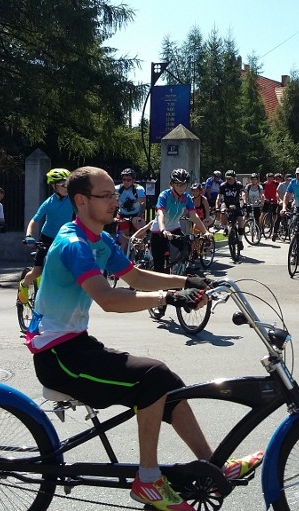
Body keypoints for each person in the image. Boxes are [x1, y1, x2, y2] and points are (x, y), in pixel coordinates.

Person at [27, 166, 261, 511]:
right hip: (57, 357)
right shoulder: (73, 243)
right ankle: (148, 481)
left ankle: (214, 467)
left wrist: (187, 283)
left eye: (114, 194)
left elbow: (135, 277)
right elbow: (108, 299)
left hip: (76, 344)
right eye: (105, 195)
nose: (116, 200)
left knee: (168, 381)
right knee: (151, 377)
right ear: (81, 200)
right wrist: (166, 299)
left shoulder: (100, 239)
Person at [21, 168, 72, 296]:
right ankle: (24, 285)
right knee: (37, 271)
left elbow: (82, 215)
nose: (66, 187)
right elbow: (34, 220)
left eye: (68, 184)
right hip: (47, 238)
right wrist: (28, 235)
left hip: (65, 236)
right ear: (53, 186)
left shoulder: (73, 200)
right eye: (63, 185)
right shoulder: (48, 203)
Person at [151, 169, 210, 274]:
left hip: (174, 228)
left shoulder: (186, 197)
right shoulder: (164, 195)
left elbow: (194, 216)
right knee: (158, 267)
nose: (181, 188)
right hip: (159, 231)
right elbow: (161, 214)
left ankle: (178, 272)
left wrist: (205, 231)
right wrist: (163, 230)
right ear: (172, 184)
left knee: (185, 248)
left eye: (184, 185)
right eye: (178, 185)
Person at [115, 167, 146, 250]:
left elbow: (143, 204)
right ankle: (122, 260)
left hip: (136, 214)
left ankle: (143, 254)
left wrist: (138, 216)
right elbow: (113, 202)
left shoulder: (138, 189)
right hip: (123, 215)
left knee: (140, 238)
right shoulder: (118, 189)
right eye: (124, 179)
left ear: (133, 180)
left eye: (128, 180)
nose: (126, 182)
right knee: (123, 241)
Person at [215, 170, 245, 246]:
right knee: (222, 211)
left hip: (236, 204)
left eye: (230, 178)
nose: (229, 180)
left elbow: (242, 194)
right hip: (226, 203)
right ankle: (225, 228)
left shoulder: (238, 185)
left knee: (241, 220)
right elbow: (219, 197)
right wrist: (217, 206)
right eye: (227, 178)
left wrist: (244, 203)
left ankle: (240, 240)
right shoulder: (223, 185)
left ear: (235, 178)